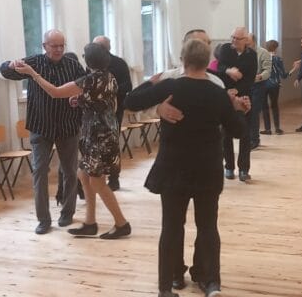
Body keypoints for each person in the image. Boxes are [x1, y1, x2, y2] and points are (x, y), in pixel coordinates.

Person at [123, 39, 250, 297]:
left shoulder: (171, 86)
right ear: (207, 62)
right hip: (207, 168)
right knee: (208, 226)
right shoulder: (217, 93)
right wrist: (238, 111)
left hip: (174, 168)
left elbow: (131, 102)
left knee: (171, 227)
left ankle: (166, 287)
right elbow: (238, 131)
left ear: (183, 60)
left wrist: (151, 84)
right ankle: (211, 281)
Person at [15, 43, 132, 239]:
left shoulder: (89, 80)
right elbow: (103, 101)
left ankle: (122, 223)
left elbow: (55, 92)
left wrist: (33, 74)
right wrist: (82, 101)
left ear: (89, 61)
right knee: (83, 175)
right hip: (103, 133)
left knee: (98, 182)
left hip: (98, 137)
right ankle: (90, 223)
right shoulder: (109, 77)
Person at [0, 29, 84, 235]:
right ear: (44, 46)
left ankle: (67, 212)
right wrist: (10, 64)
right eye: (54, 46)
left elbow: (85, 86)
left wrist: (78, 98)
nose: (58, 49)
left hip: (68, 126)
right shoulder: (34, 63)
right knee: (39, 171)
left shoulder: (73, 65)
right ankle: (43, 220)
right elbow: (6, 71)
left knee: (70, 171)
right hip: (41, 126)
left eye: (61, 46)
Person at [89, 36, 132, 192]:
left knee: (112, 145)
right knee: (94, 145)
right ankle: (96, 177)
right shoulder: (91, 64)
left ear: (107, 49)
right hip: (94, 113)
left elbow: (128, 86)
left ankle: (114, 179)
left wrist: (109, 91)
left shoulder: (119, 63)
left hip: (113, 111)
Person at [216, 27, 257, 181]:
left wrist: (237, 90)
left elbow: (250, 78)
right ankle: (229, 167)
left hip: (244, 96)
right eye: (232, 37)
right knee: (226, 133)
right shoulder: (225, 49)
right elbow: (219, 68)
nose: (233, 40)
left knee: (245, 133)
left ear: (245, 40)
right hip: (226, 96)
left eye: (237, 38)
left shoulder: (251, 55)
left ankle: (244, 169)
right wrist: (228, 71)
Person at [248, 34, 272, 149]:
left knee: (253, 112)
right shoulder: (243, 52)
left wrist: (260, 76)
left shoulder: (263, 52)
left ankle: (255, 139)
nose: (245, 43)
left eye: (247, 41)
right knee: (246, 112)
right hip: (246, 85)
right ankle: (247, 137)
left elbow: (267, 70)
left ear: (253, 41)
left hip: (258, 85)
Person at [260, 40, 288, 136]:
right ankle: (277, 128)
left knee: (264, 107)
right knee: (274, 106)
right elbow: (283, 75)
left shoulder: (262, 58)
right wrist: (292, 70)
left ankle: (267, 129)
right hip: (275, 85)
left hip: (263, 84)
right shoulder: (278, 59)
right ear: (276, 48)